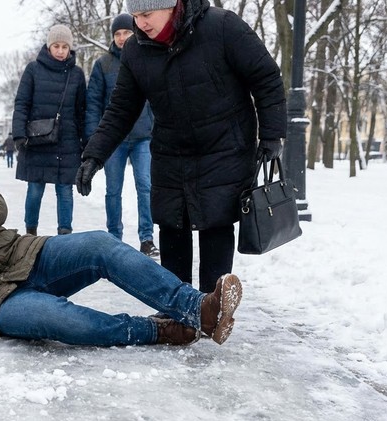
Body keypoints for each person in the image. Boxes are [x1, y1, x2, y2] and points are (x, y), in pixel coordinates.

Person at [0, 144, 244, 347]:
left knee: (101, 245)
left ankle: (197, 308)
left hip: (26, 257)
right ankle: (158, 331)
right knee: (60, 320)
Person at [76, 0, 286, 293]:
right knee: (172, 224)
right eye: (135, 16)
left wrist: (272, 135)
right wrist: (94, 155)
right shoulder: (136, 49)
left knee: (216, 221)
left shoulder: (222, 26)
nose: (141, 24)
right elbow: (121, 109)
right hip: (170, 150)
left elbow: (266, 78)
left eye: (147, 14)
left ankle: (213, 305)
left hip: (223, 147)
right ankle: (176, 309)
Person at [85, 14, 158, 257]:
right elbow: (93, 103)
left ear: (134, 32)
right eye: (117, 34)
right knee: (113, 190)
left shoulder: (146, 56)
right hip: (115, 140)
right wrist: (94, 138)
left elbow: (157, 96)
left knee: (145, 186)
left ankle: (147, 239)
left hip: (143, 136)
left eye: (126, 32)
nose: (122, 37)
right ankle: (114, 238)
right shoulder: (102, 64)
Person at [12, 25, 87, 236]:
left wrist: (86, 142)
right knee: (35, 190)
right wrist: (19, 134)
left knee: (65, 191)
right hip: (37, 141)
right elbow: (22, 103)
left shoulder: (77, 74)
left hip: (68, 142)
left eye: (65, 46)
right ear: (49, 46)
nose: (61, 50)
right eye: (56, 45)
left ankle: (65, 235)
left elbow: (82, 110)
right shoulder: (33, 70)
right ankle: (30, 233)